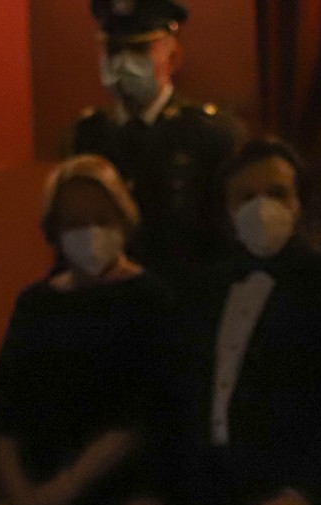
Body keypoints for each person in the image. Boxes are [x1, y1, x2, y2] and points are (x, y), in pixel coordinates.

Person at [184, 139, 321, 505]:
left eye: (277, 193)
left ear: (300, 204)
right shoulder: (204, 290)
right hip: (210, 503)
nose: (261, 207)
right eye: (246, 197)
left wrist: (304, 496)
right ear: (226, 211)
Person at [0, 156, 189, 505]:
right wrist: (23, 498)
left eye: (102, 219)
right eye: (75, 223)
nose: (90, 233)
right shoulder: (36, 304)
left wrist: (62, 489)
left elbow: (143, 415)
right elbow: (5, 414)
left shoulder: (150, 299)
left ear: (124, 220)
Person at [67, 0, 244, 291]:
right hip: (106, 300)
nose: (123, 64)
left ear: (173, 57)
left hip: (181, 298)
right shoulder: (89, 135)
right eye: (113, 50)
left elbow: (226, 242)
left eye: (139, 50)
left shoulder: (209, 135)